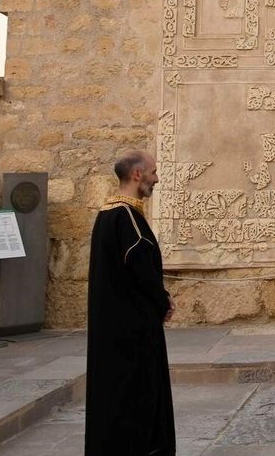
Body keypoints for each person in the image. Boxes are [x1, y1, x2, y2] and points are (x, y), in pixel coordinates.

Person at [85, 150, 176, 455]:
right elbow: (141, 267)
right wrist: (163, 301)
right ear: (137, 174)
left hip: (113, 330)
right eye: (152, 172)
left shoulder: (106, 214)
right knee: (139, 398)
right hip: (133, 332)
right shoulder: (127, 217)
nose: (156, 178)